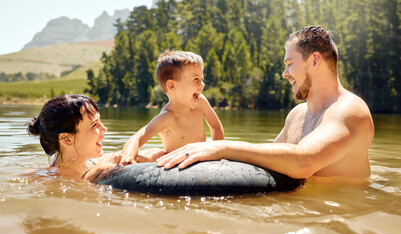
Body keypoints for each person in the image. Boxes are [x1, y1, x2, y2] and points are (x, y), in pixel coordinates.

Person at [156, 26, 374, 179]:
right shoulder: (297, 115)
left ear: (315, 60)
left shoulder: (350, 110)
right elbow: (267, 157)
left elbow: (304, 162)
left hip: (338, 222)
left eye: (289, 64)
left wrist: (221, 147)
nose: (284, 73)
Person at [122, 50, 224, 161]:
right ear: (171, 85)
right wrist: (127, 157)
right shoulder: (166, 118)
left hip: (198, 156)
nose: (202, 84)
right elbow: (137, 138)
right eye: (196, 79)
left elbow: (216, 127)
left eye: (202, 79)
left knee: (209, 144)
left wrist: (217, 153)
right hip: (174, 162)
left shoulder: (201, 102)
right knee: (158, 155)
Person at [27, 94, 134, 182]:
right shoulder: (47, 178)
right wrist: (90, 176)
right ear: (66, 139)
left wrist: (124, 158)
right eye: (94, 124)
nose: (104, 128)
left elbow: (135, 146)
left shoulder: (95, 161)